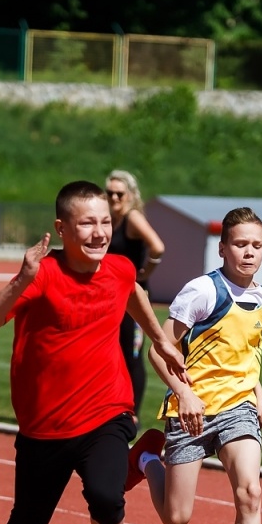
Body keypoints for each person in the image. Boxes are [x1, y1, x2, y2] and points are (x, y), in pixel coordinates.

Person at [0, 180, 186, 524]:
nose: (99, 231)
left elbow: (132, 292)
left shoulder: (121, 267)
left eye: (105, 221)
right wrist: (20, 280)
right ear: (62, 228)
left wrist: (160, 339)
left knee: (108, 499)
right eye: (87, 223)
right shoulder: (42, 277)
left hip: (104, 413)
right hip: (44, 428)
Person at [126, 207, 262, 524]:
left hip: (237, 410)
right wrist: (185, 393)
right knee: (177, 517)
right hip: (191, 410)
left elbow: (246, 359)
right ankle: (145, 460)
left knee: (250, 492)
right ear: (223, 247)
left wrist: (259, 399)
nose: (248, 253)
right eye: (240, 244)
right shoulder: (202, 292)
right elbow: (160, 350)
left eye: (257, 245)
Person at [104, 170, 166, 421]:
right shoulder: (110, 219)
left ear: (130, 195)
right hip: (110, 296)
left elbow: (158, 246)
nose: (114, 198)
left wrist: (143, 273)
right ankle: (111, 407)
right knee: (111, 351)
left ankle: (133, 414)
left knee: (132, 353)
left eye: (119, 193)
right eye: (109, 193)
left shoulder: (132, 218)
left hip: (132, 298)